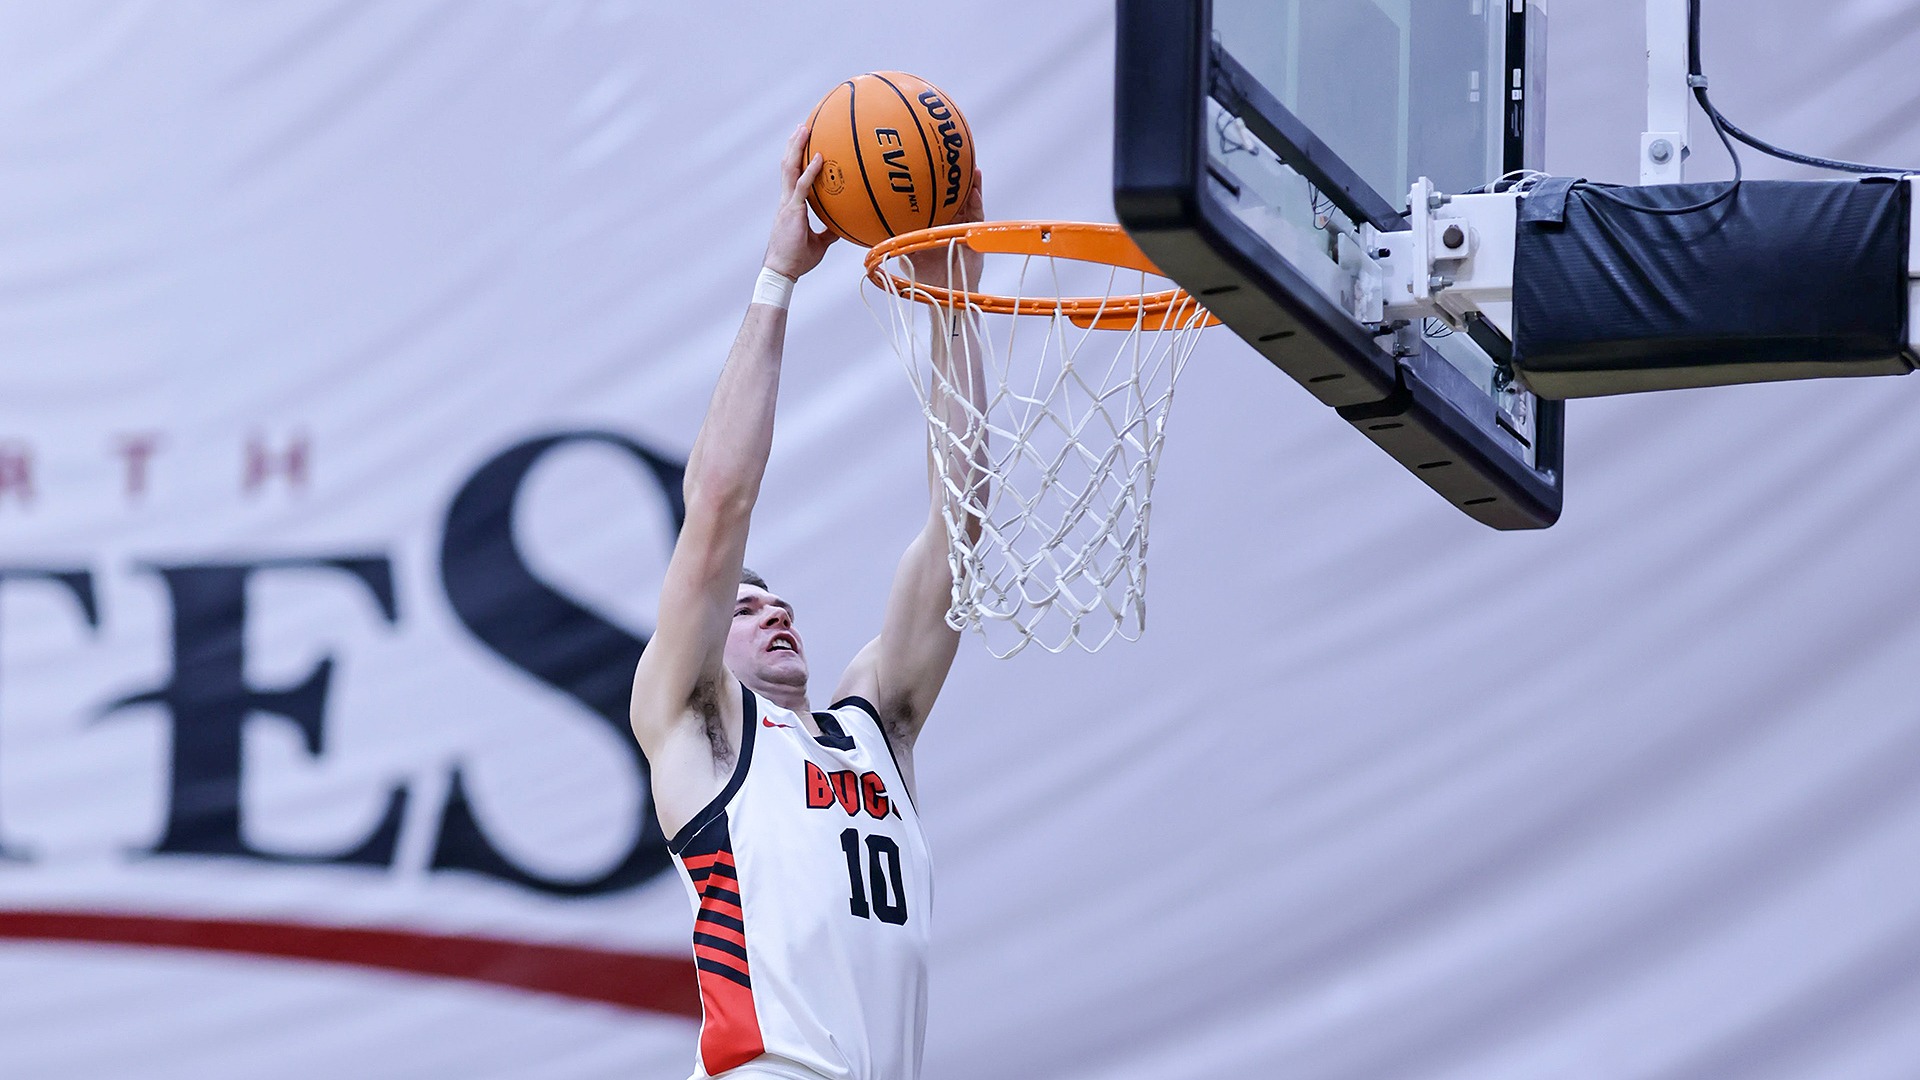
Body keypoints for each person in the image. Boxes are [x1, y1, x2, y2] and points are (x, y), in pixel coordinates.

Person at [628, 121, 986, 1080]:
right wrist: (779, 277)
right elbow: (718, 505)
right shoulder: (697, 729)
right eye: (744, 609)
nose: (773, 611)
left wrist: (952, 294)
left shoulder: (879, 725)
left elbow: (964, 512)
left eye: (779, 601)